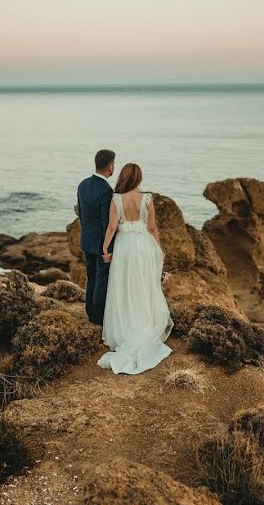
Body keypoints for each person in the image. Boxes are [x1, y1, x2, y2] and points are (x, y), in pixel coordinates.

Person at [96, 163, 173, 374]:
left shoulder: (116, 199)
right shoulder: (147, 199)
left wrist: (105, 248)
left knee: (124, 286)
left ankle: (126, 328)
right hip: (143, 246)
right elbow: (152, 228)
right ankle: (144, 324)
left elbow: (112, 227)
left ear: (123, 177)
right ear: (138, 179)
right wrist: (159, 249)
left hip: (124, 248)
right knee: (143, 285)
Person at [76, 149, 116, 325]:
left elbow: (82, 215)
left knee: (91, 277)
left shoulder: (83, 184)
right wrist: (108, 248)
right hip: (101, 243)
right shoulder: (106, 190)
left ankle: (90, 312)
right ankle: (98, 319)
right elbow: (107, 223)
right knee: (101, 280)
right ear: (110, 166)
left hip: (86, 239)